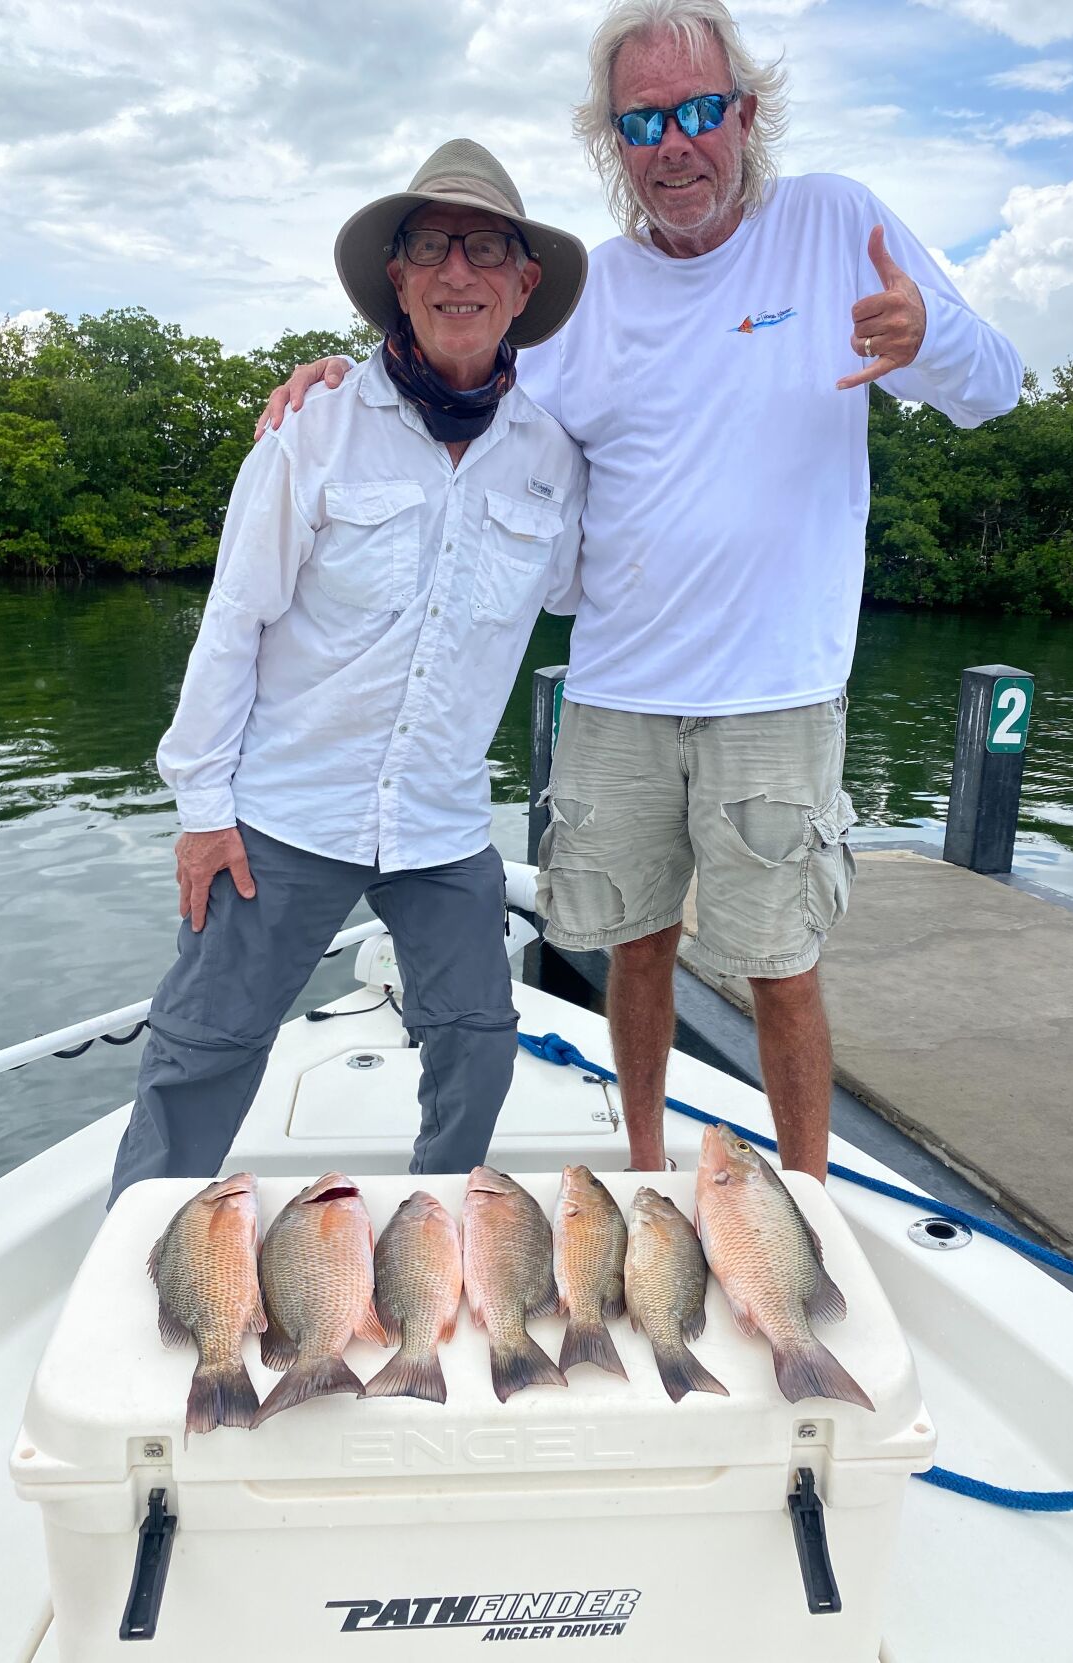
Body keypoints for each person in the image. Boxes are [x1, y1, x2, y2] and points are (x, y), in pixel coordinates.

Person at [255, 0, 1023, 1182]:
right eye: (643, 121)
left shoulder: (833, 222)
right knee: (631, 950)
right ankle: (649, 1174)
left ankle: (805, 1203)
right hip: (614, 686)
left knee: (780, 964)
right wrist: (328, 377)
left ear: (745, 114)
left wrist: (923, 338)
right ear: (613, 140)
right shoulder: (586, 295)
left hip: (776, 688)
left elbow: (995, 389)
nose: (675, 145)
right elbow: (447, 372)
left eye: (698, 111)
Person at [108, 139, 588, 1202]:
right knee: (202, 1048)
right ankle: (133, 1257)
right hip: (285, 808)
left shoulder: (554, 460)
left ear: (523, 282)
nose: (456, 271)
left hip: (443, 822)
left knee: (481, 1043)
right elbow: (235, 618)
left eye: (484, 248)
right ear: (397, 281)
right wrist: (200, 804)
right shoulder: (310, 424)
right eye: (429, 247)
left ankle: (433, 1232)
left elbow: (587, 590)